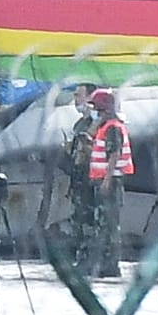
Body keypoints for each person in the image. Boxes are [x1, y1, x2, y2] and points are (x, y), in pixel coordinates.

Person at [87, 88, 132, 279]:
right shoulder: (105, 126)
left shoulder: (113, 127)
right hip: (106, 180)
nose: (95, 112)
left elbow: (114, 155)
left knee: (110, 224)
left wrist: (106, 180)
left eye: (97, 109)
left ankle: (110, 265)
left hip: (111, 182)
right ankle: (104, 263)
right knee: (103, 223)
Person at [61, 83, 98, 272]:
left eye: (79, 95)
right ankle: (81, 256)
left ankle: (91, 258)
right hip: (78, 178)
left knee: (91, 219)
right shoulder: (79, 124)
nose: (76, 100)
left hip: (91, 177)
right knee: (79, 218)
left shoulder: (97, 122)